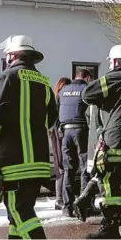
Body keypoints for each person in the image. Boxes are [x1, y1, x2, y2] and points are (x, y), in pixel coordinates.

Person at [0, 35, 58, 238]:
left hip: (14, 162)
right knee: (16, 215)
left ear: (12, 55)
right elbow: (52, 117)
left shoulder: (7, 77)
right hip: (39, 162)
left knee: (20, 211)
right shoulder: (44, 82)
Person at [81, 44, 121, 239]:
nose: (109, 64)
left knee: (110, 186)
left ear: (116, 61)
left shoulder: (114, 78)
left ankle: (110, 228)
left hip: (114, 145)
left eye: (110, 61)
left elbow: (87, 95)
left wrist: (103, 101)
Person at [58, 69, 92, 216]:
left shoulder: (63, 90)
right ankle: (83, 205)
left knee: (68, 169)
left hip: (65, 132)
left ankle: (67, 207)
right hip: (81, 131)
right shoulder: (86, 89)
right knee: (85, 168)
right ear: (88, 78)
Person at [51, 77, 71, 210]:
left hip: (56, 134)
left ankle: (60, 199)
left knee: (61, 167)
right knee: (61, 168)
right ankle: (59, 199)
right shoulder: (59, 100)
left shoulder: (55, 99)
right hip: (59, 134)